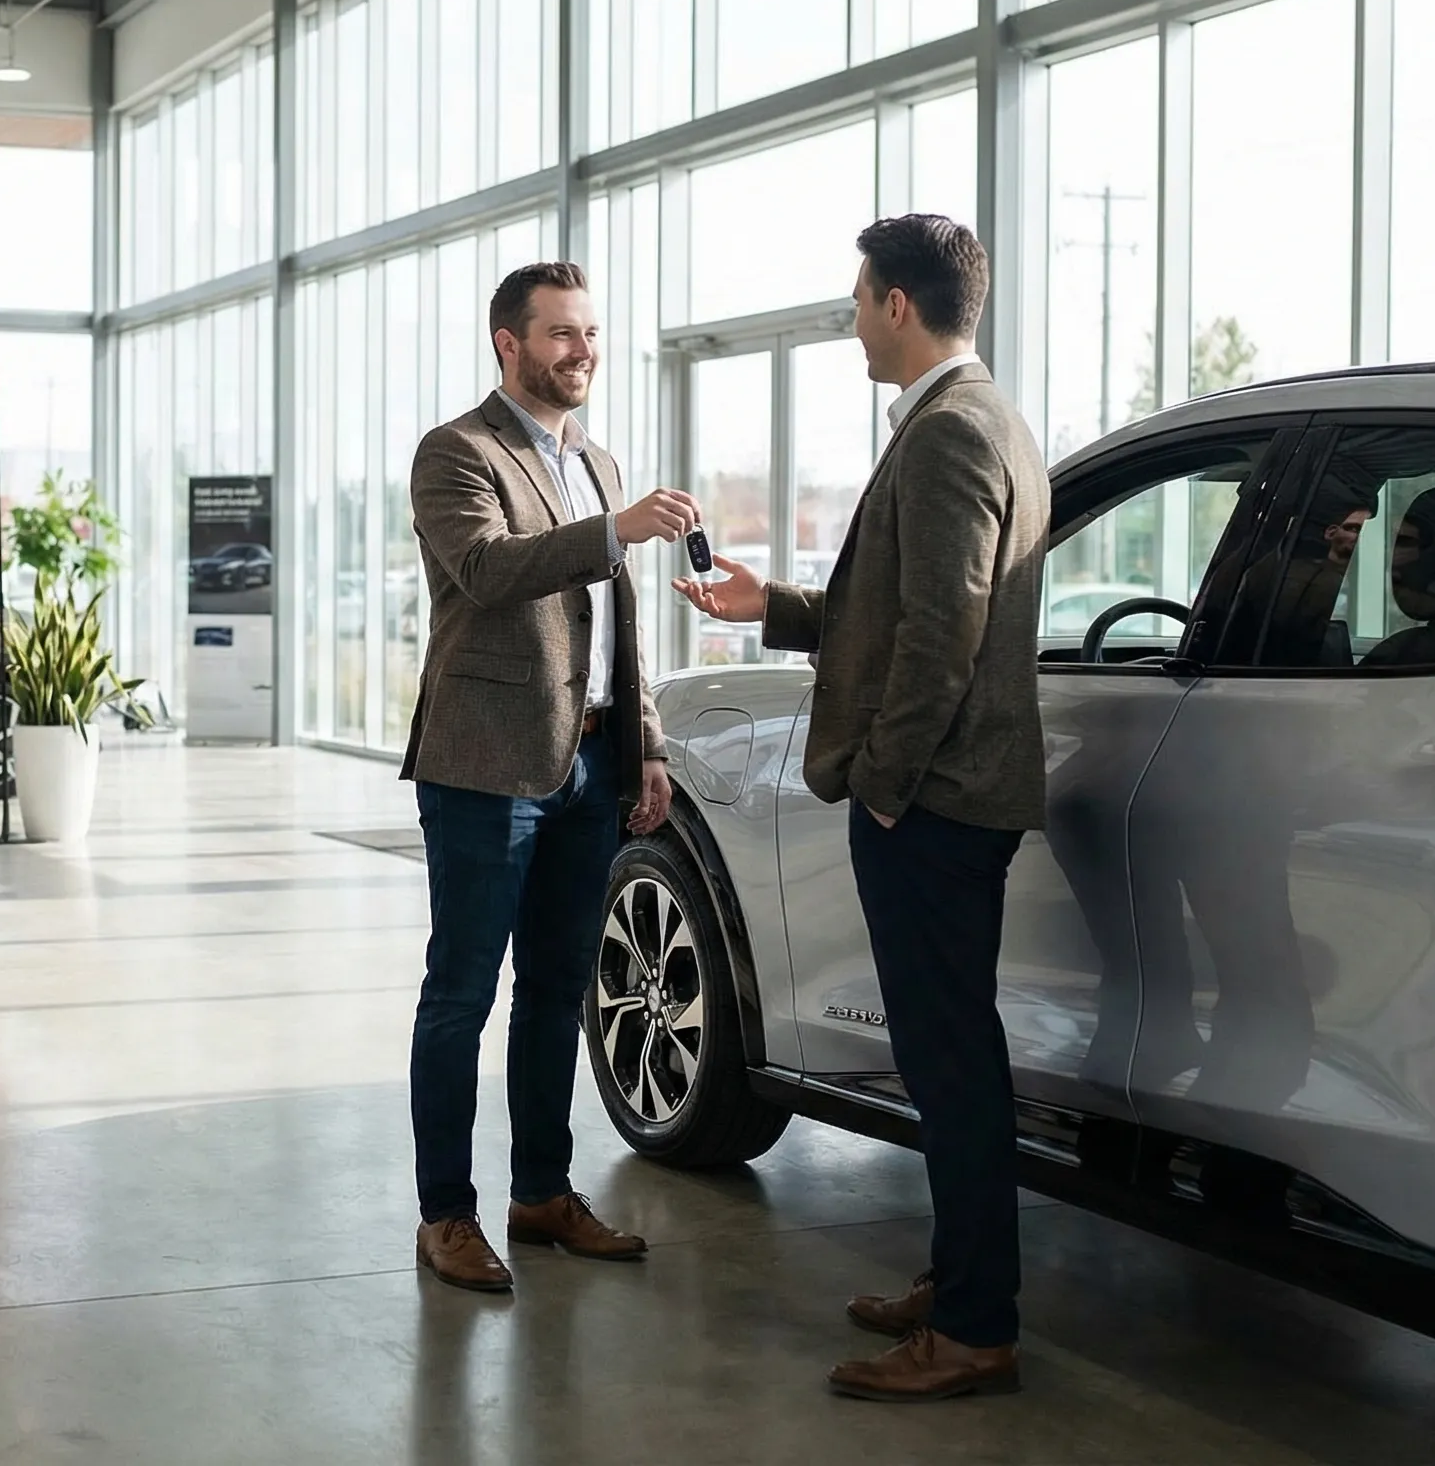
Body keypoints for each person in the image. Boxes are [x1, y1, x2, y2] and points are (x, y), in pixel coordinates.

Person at [677, 215, 1049, 1401]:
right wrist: (773, 605)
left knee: (950, 1065)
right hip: (944, 799)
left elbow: (942, 636)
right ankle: (957, 1279)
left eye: (856, 297)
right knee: (947, 1059)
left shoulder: (948, 434)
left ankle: (975, 1328)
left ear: (898, 303)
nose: (849, 317)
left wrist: (883, 787)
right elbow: (898, 607)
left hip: (932, 804)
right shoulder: (977, 419)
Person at [401, 261, 697, 1294]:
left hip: (592, 764)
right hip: (487, 765)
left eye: (590, 332)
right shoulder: (456, 452)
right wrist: (609, 532)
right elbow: (484, 572)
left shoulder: (599, 464)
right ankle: (445, 1214)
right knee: (461, 994)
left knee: (558, 990)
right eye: (560, 335)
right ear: (508, 344)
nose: (582, 352)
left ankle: (540, 1192)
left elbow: (620, 628)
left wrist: (647, 745)